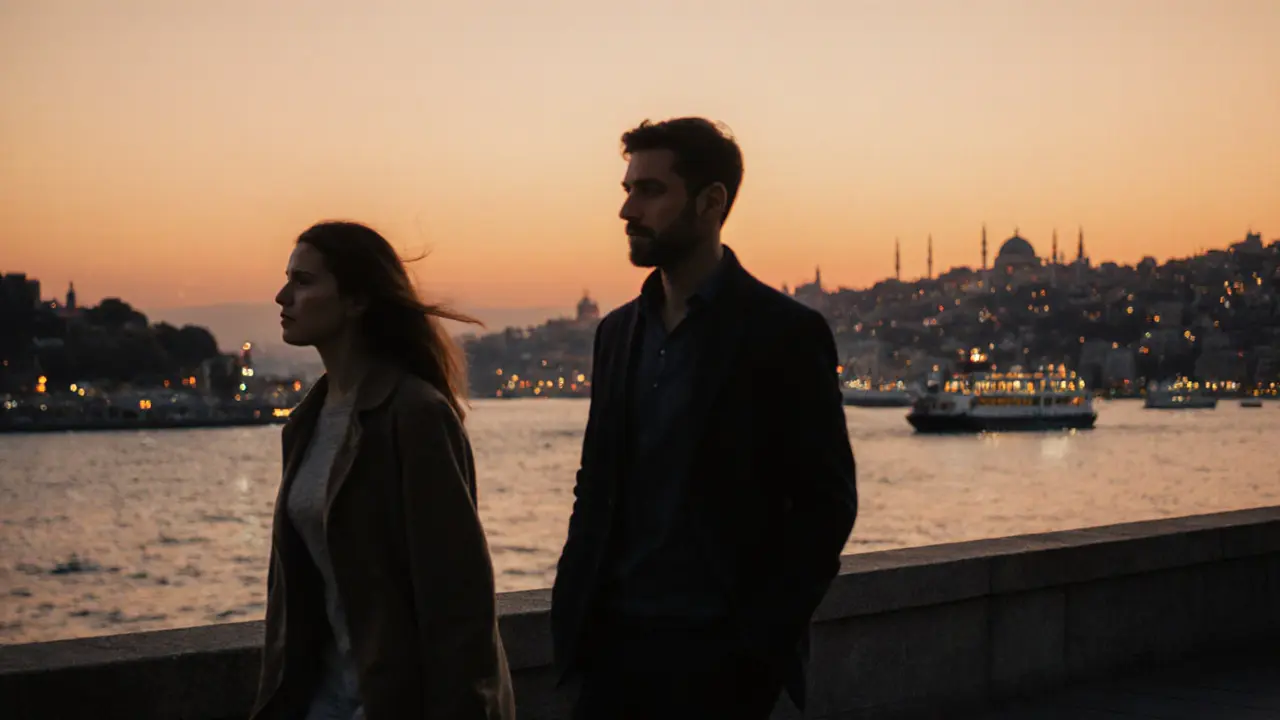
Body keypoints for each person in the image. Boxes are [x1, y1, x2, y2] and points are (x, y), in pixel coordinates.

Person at [551, 117, 858, 719]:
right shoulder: (616, 334)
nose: (627, 210)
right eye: (627, 189)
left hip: (718, 659)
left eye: (650, 190)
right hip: (613, 648)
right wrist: (575, 611)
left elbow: (827, 505)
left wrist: (757, 646)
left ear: (711, 202)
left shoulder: (784, 334)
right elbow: (596, 484)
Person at [249, 221, 515, 720]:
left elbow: (458, 598)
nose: (282, 295)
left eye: (304, 281)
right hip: (320, 703)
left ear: (356, 301)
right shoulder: (308, 420)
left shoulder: (413, 414)